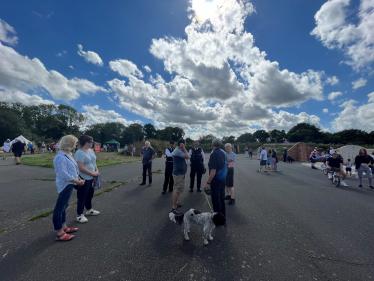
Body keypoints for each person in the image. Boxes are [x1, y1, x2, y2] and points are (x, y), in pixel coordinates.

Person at [52, 135, 85, 241]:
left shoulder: (69, 154)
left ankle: (64, 227)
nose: (76, 145)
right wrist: (77, 181)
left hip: (70, 183)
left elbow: (74, 169)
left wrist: (79, 178)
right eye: (75, 143)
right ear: (69, 143)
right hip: (65, 184)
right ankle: (59, 232)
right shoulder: (60, 157)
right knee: (60, 207)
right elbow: (64, 174)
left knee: (64, 206)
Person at [74, 135, 100, 223]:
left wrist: (96, 170)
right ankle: (79, 215)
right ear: (87, 143)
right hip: (83, 178)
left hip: (91, 177)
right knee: (82, 196)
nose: (92, 143)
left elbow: (93, 161)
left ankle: (89, 210)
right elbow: (80, 167)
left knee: (90, 194)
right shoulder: (79, 153)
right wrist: (93, 173)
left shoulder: (91, 151)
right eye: (91, 142)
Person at [204, 138, 226, 220]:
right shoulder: (223, 153)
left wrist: (208, 182)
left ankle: (218, 220)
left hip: (215, 180)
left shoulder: (214, 154)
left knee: (216, 200)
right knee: (222, 198)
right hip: (222, 179)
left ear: (212, 144)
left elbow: (213, 170)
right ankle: (223, 217)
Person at [171, 139, 190, 215]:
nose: (185, 146)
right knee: (178, 190)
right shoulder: (178, 151)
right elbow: (188, 156)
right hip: (179, 174)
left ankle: (176, 203)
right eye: (184, 145)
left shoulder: (177, 150)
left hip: (177, 173)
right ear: (182, 144)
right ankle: (174, 207)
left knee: (175, 188)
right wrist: (184, 149)